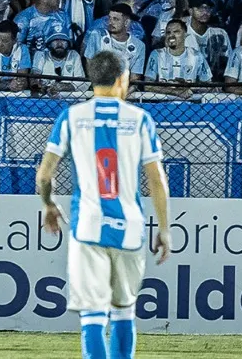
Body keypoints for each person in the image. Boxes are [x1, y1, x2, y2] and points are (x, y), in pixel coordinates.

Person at [37, 50, 172, 359]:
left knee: (93, 317)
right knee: (124, 313)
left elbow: (45, 175)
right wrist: (164, 228)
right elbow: (157, 181)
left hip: (88, 228)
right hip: (129, 229)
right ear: (123, 80)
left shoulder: (71, 117)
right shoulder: (140, 120)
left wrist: (49, 204)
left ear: (91, 79)